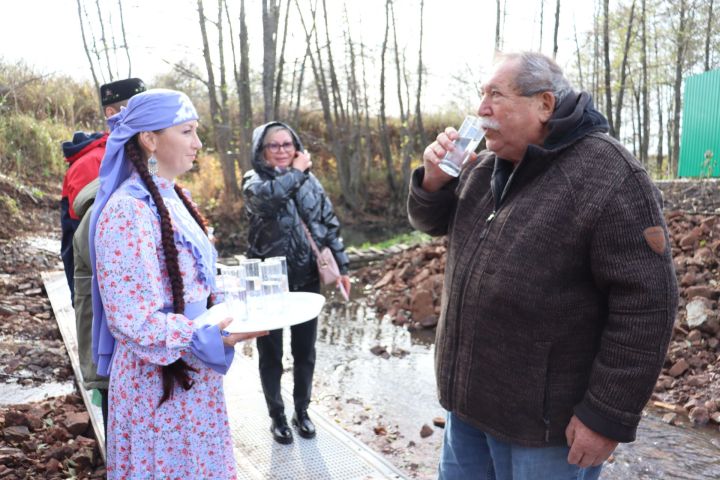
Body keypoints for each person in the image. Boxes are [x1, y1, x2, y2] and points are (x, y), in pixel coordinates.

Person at [407, 52, 678, 479]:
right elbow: (433, 223)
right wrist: (434, 181)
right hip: (468, 409)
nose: (481, 109)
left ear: (545, 104)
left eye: (496, 95)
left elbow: (647, 305)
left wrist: (605, 415)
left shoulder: (608, 174)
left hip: (545, 430)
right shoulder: (486, 169)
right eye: (482, 95)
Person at [88, 88, 267, 478]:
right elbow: (131, 320)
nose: (198, 143)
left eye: (196, 131)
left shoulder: (177, 197)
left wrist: (236, 308)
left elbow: (198, 281)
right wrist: (202, 336)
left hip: (193, 379)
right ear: (149, 139)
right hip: (156, 387)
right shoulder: (127, 212)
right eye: (186, 132)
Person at [242, 121, 351, 444]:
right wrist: (299, 173)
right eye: (273, 146)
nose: (281, 151)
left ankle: (301, 411)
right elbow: (267, 200)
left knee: (305, 351)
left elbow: (328, 224)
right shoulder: (254, 180)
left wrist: (342, 266)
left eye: (287, 144)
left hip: (305, 277)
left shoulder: (309, 181)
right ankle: (277, 416)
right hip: (266, 282)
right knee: (271, 354)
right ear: (261, 150)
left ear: (296, 147)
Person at [66, 78, 146, 437]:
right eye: (135, 106)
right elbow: (87, 244)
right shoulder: (97, 160)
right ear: (112, 112)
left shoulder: (131, 151)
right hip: (108, 316)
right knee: (120, 419)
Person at [60, 78, 146, 299]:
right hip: (99, 287)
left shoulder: (143, 154)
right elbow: (88, 236)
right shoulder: (91, 163)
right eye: (137, 109)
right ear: (110, 112)